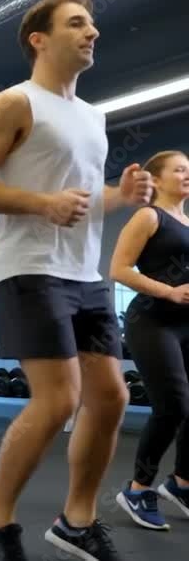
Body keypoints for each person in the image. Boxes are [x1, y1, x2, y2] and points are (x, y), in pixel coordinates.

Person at [0, 0, 153, 559]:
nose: (93, 30)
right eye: (77, 23)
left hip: (83, 275)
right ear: (38, 40)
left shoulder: (93, 116)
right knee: (58, 400)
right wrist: (42, 203)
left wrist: (121, 196)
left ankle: (75, 521)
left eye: (91, 23)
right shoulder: (15, 102)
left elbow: (82, 204)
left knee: (109, 396)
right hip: (28, 271)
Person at [111, 150, 189, 530]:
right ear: (156, 180)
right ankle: (139, 488)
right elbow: (118, 269)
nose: (187, 175)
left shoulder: (188, 222)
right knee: (172, 405)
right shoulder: (148, 216)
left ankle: (182, 482)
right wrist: (169, 291)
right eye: (179, 170)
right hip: (152, 322)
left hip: (186, 324)